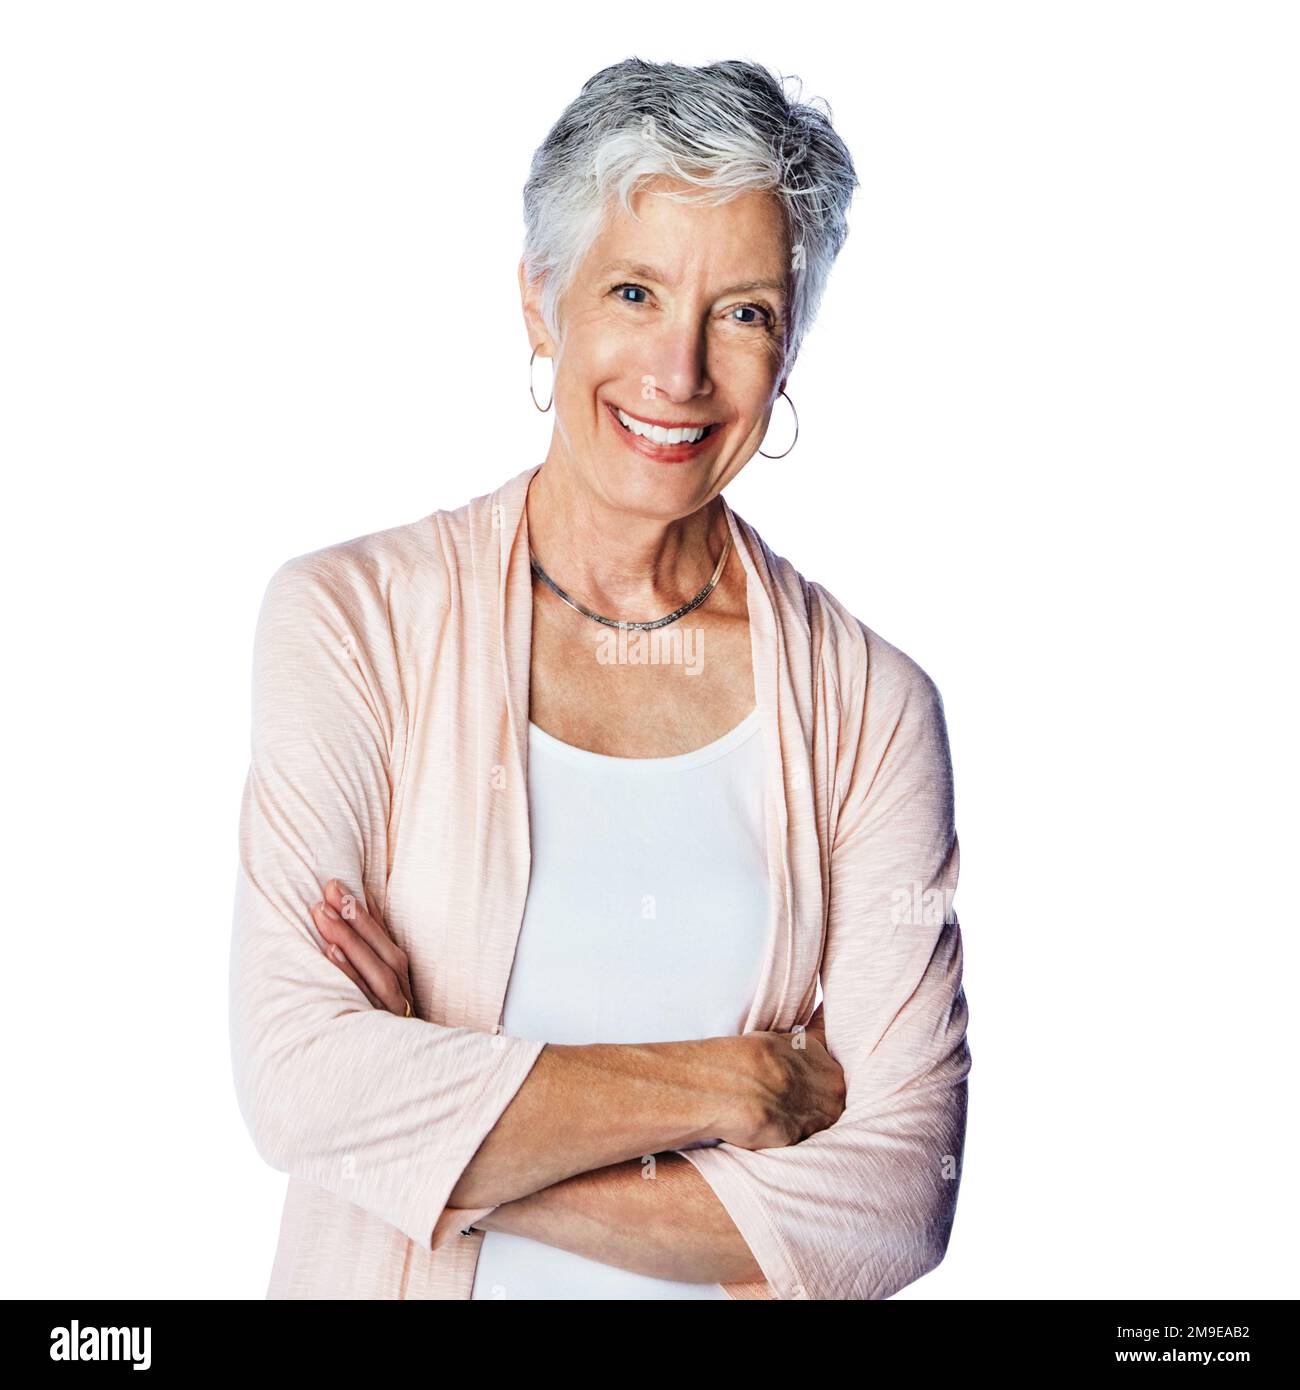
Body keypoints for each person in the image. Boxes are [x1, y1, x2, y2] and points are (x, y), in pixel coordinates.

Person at [229, 56, 971, 1301]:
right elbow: (300, 1080)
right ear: (540, 301)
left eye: (741, 311)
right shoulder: (353, 622)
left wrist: (434, 1129)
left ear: (789, 346)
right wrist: (732, 1083)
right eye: (634, 291)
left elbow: (896, 1203)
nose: (679, 374)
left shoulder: (871, 708)